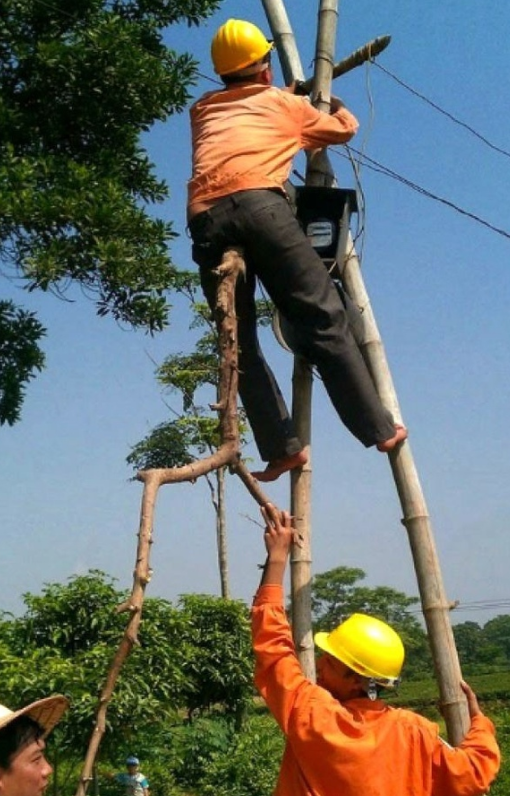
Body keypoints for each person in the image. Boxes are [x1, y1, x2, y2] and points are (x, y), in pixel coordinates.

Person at [251, 506, 501, 796]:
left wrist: (275, 560)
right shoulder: (415, 733)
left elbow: (272, 646)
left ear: (352, 677)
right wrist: (478, 723)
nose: (318, 670)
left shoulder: (314, 716)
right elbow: (470, 774)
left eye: (327, 663)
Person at [187, 19, 407, 482]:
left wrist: (287, 96)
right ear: (265, 68)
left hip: (206, 218)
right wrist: (324, 102)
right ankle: (379, 429)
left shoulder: (203, 108)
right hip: (262, 207)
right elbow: (342, 129)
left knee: (237, 342)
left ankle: (282, 449)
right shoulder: (284, 104)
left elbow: (250, 107)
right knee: (322, 314)